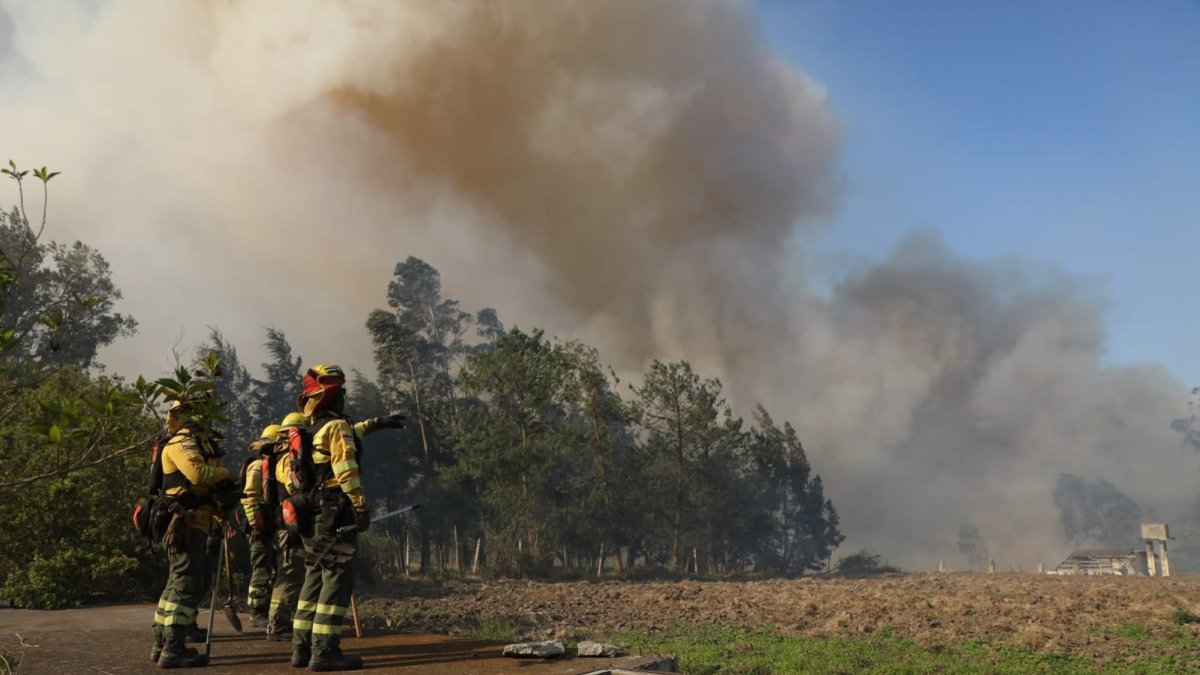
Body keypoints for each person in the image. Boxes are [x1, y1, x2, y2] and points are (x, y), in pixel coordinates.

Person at [266, 410, 403, 644]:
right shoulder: (291, 459)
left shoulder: (294, 451)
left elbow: (350, 432)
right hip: (323, 517)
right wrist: (359, 507)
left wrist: (376, 422)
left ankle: (302, 645)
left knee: (312, 577)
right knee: (333, 577)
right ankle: (324, 648)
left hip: (303, 521)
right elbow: (345, 468)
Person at [151, 398, 236, 669]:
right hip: (185, 522)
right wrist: (226, 475)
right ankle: (174, 649)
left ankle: (162, 643)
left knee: (176, 583)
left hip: (197, 520)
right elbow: (197, 474)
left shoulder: (199, 442)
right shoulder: (182, 442)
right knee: (186, 584)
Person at [241, 424, 282, 628]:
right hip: (259, 527)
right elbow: (249, 498)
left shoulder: (275, 465)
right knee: (262, 568)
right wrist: (256, 524)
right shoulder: (257, 466)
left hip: (272, 525)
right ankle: (257, 611)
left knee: (274, 568)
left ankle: (269, 609)